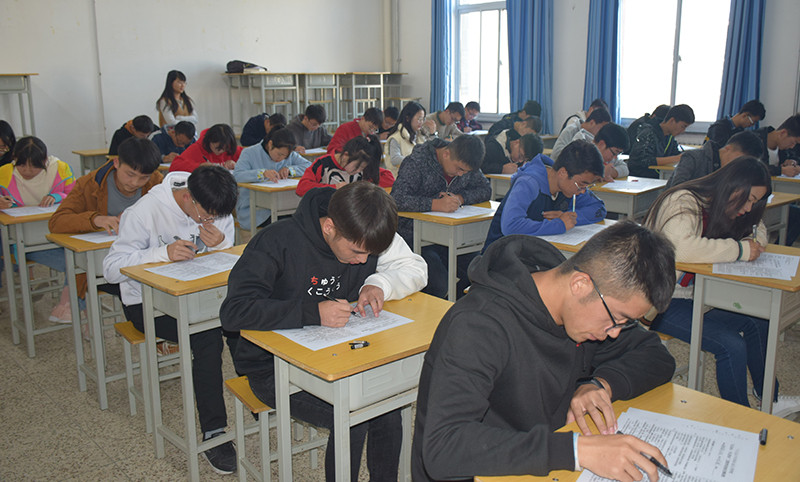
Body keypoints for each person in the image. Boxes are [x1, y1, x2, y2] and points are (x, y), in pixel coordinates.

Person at [412, 221, 678, 482]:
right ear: (580, 284)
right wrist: (576, 450)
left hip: (539, 463)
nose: (615, 333)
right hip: (481, 472)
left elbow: (657, 356)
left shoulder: (583, 313)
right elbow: (443, 448)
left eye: (625, 323)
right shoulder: (478, 325)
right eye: (617, 318)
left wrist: (600, 384)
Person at [220, 182, 427, 482]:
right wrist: (312, 312)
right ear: (329, 227)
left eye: (370, 254)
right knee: (354, 416)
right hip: (272, 369)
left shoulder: (365, 229)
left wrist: (378, 282)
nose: (362, 261)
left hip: (342, 359)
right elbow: (234, 311)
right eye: (357, 252)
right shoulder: (276, 241)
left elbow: (414, 268)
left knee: (387, 408)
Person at [103, 165, 239, 474]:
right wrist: (162, 252)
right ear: (188, 197)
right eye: (206, 216)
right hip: (148, 306)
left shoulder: (215, 206)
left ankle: (263, 400)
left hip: (200, 299)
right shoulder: (144, 211)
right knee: (206, 338)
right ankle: (214, 432)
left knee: (242, 322)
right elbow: (110, 269)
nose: (209, 222)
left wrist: (220, 242)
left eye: (217, 218)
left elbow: (226, 259)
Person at [644, 157, 800, 418]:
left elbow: (758, 229)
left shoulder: (725, 207)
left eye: (754, 202)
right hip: (658, 301)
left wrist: (750, 241)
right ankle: (743, 421)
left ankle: (769, 400)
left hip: (694, 296)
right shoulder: (683, 200)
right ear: (733, 186)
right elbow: (681, 249)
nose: (748, 208)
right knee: (731, 345)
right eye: (748, 199)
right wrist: (740, 249)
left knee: (759, 321)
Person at [50, 137, 163, 325]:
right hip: (104, 263)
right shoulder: (90, 183)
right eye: (130, 174)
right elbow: (57, 221)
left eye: (143, 177)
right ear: (116, 162)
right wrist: (95, 219)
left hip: (146, 257)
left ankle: (151, 327)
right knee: (134, 289)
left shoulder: (157, 182)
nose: (135, 182)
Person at [391, 135, 491, 299]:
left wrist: (460, 198)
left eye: (465, 172)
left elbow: (485, 189)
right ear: (446, 154)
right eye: (459, 169)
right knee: (439, 284)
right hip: (414, 235)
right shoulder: (417, 162)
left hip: (451, 235)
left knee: (478, 273)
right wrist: (434, 205)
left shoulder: (465, 161)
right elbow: (396, 199)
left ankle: (453, 306)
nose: (461, 175)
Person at [0, 136, 76, 322]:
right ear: (14, 159)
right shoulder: (4, 173)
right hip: (24, 241)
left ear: (44, 160)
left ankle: (65, 305)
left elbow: (75, 196)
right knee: (74, 263)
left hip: (58, 236)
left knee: (78, 259)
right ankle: (67, 305)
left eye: (34, 166)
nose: (27, 171)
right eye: (21, 165)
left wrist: (58, 196)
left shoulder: (60, 169)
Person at [483, 139, 606, 252]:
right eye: (582, 184)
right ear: (563, 173)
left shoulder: (571, 186)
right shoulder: (529, 183)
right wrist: (559, 225)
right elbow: (510, 226)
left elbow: (599, 209)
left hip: (534, 253)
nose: (583, 191)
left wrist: (572, 218)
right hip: (501, 257)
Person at [234, 125, 311, 230]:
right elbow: (237, 176)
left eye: (285, 157)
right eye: (279, 154)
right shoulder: (250, 153)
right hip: (255, 211)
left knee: (302, 219)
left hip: (282, 207)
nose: (281, 159)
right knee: (287, 224)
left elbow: (309, 166)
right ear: (270, 144)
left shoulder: (289, 153)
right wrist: (262, 173)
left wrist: (291, 170)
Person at [297, 135, 393, 196]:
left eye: (362, 168)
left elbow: (389, 179)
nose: (359, 171)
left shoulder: (363, 164)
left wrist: (364, 186)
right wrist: (334, 187)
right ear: (346, 155)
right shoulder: (323, 164)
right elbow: (301, 188)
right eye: (357, 167)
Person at [666, 131, 763, 188]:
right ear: (728, 149)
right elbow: (677, 188)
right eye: (739, 160)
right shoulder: (693, 157)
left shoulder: (732, 171)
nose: (739, 166)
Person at [627, 104, 694, 178]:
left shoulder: (669, 137)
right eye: (683, 126)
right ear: (672, 121)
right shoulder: (648, 132)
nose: (683, 131)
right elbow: (644, 160)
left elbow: (675, 153)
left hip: (658, 177)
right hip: (641, 177)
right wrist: (676, 158)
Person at [384, 101, 434, 177]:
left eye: (423, 119)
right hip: (399, 178)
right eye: (419, 119)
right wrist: (416, 160)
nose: (421, 122)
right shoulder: (396, 137)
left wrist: (433, 134)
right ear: (408, 118)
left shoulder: (420, 136)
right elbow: (395, 159)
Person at [169, 124, 242, 173]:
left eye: (225, 149)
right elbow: (174, 167)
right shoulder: (196, 148)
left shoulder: (230, 147)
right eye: (217, 148)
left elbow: (248, 158)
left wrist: (237, 165)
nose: (221, 151)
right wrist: (199, 166)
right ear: (209, 140)